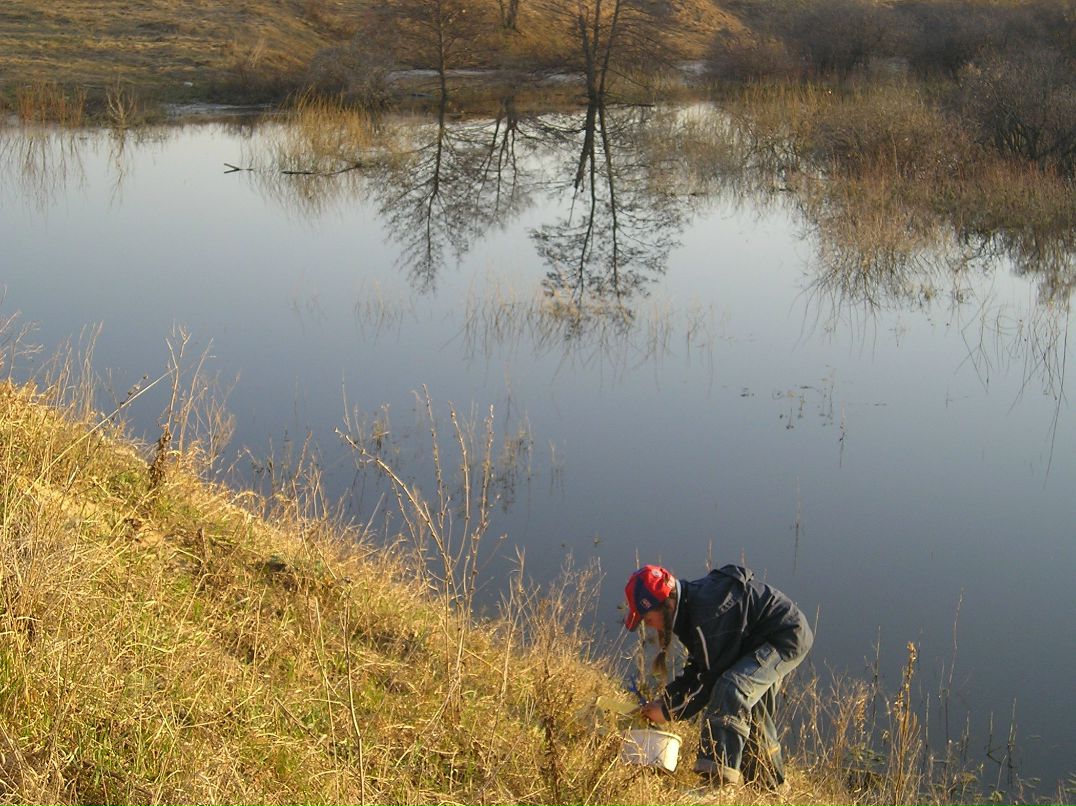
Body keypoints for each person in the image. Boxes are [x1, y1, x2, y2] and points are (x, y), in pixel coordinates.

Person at [624, 564, 813, 791]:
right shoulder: (685, 610)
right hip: (752, 640)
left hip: (784, 636)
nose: (650, 626)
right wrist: (666, 701)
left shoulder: (704, 617)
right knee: (754, 714)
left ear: (667, 604)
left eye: (647, 619)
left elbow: (709, 682)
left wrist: (668, 712)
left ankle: (718, 786)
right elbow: (699, 666)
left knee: (730, 689)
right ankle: (771, 790)